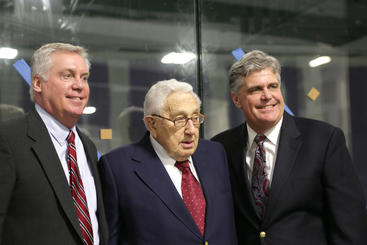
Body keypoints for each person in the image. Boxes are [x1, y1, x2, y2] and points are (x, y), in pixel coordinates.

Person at [211, 50, 367, 245]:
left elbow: (350, 220)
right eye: (255, 90)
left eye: (273, 86)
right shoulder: (221, 147)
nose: (267, 96)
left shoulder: (324, 140)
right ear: (236, 99)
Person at [99, 79, 237, 245]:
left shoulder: (215, 154)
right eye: (179, 119)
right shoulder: (118, 168)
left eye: (195, 117)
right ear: (152, 124)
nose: (191, 130)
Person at [0, 43, 108, 245]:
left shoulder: (88, 147)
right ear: (38, 83)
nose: (79, 85)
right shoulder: (8, 139)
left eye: (84, 77)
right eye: (67, 76)